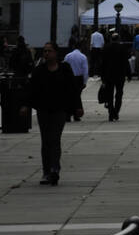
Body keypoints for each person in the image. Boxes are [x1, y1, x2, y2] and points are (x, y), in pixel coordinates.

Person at [22, 42, 82, 185]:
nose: (46, 53)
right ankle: (46, 171)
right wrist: (25, 105)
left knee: (54, 139)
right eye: (44, 51)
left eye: (49, 51)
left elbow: (73, 89)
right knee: (46, 141)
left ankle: (55, 169)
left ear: (56, 53)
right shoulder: (39, 70)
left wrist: (77, 107)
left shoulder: (64, 69)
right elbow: (31, 89)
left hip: (59, 110)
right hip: (43, 110)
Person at [100, 32, 130, 120]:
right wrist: (128, 74)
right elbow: (126, 62)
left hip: (108, 75)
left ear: (111, 39)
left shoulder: (105, 48)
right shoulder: (123, 48)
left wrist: (102, 76)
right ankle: (116, 111)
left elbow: (102, 63)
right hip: (120, 75)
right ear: (119, 39)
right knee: (119, 94)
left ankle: (110, 111)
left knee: (109, 94)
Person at [64, 40, 89, 121]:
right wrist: (85, 82)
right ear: (81, 47)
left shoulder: (68, 56)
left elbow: (64, 67)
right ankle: (76, 114)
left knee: (68, 96)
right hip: (78, 78)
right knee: (77, 96)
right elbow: (85, 70)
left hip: (69, 78)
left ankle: (68, 114)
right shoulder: (83, 57)